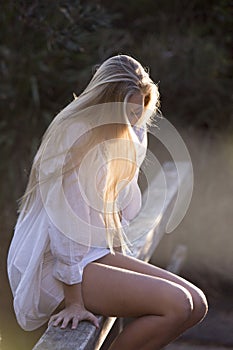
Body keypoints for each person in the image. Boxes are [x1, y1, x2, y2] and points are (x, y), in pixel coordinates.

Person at [7, 54, 208, 350]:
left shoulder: (127, 132)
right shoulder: (75, 136)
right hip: (57, 268)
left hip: (91, 253)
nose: (133, 120)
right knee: (177, 305)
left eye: (138, 111)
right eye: (126, 112)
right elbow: (64, 229)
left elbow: (121, 206)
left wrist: (134, 135)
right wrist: (74, 301)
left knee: (196, 305)